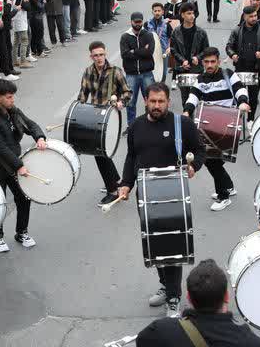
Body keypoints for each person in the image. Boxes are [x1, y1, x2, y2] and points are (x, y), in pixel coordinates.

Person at [118, 83, 206, 318]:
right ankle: (167, 286)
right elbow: (131, 157)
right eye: (153, 101)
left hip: (173, 194)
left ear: (168, 101)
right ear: (145, 100)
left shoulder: (182, 125)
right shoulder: (136, 126)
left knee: (173, 246)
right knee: (154, 244)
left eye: (161, 101)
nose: (157, 106)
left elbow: (200, 150)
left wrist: (193, 165)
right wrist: (126, 183)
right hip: (145, 196)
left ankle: (174, 297)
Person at [0, 78, 43, 252]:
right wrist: (19, 166)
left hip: (14, 162)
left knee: (24, 197)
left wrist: (39, 137)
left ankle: (21, 232)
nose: (12, 100)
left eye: (12, 96)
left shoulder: (12, 110)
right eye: (9, 97)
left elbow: (30, 124)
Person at [182, 48, 248, 211]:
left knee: (212, 161)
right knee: (214, 160)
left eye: (213, 62)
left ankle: (223, 196)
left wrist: (242, 101)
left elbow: (240, 89)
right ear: (203, 63)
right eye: (206, 62)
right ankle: (228, 187)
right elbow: (193, 97)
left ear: (218, 61)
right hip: (209, 125)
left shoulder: (228, 74)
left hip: (228, 124)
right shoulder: (201, 79)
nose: (209, 65)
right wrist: (187, 110)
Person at [76, 41, 128, 204]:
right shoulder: (88, 72)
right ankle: (116, 182)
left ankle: (113, 191)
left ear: (105, 54)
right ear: (91, 56)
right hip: (94, 117)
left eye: (101, 54)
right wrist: (79, 108)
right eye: (96, 55)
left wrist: (121, 102)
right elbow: (83, 95)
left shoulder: (115, 71)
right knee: (101, 152)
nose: (99, 58)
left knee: (100, 153)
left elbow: (127, 92)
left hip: (111, 118)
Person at [225, 5, 260, 118]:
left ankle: (250, 120)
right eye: (251, 16)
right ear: (245, 17)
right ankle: (237, 120)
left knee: (253, 97)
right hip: (240, 67)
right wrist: (233, 54)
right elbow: (229, 46)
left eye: (255, 15)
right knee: (239, 95)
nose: (254, 18)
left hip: (256, 68)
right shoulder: (237, 30)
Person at [119, 11, 159, 124]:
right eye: (135, 22)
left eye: (140, 22)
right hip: (131, 75)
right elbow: (125, 55)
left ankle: (150, 124)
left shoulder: (148, 35)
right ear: (131, 22)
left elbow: (149, 52)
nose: (138, 24)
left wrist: (133, 51)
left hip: (147, 73)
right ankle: (131, 125)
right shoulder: (125, 37)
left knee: (151, 100)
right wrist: (142, 50)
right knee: (130, 102)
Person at [169, 3, 209, 110]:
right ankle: (188, 122)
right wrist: (182, 61)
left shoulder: (201, 32)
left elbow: (206, 50)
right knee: (185, 99)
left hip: (197, 69)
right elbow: (173, 49)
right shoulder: (176, 32)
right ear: (182, 15)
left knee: (198, 97)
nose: (192, 16)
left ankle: (197, 122)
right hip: (182, 69)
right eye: (189, 13)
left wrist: (198, 58)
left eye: (193, 13)